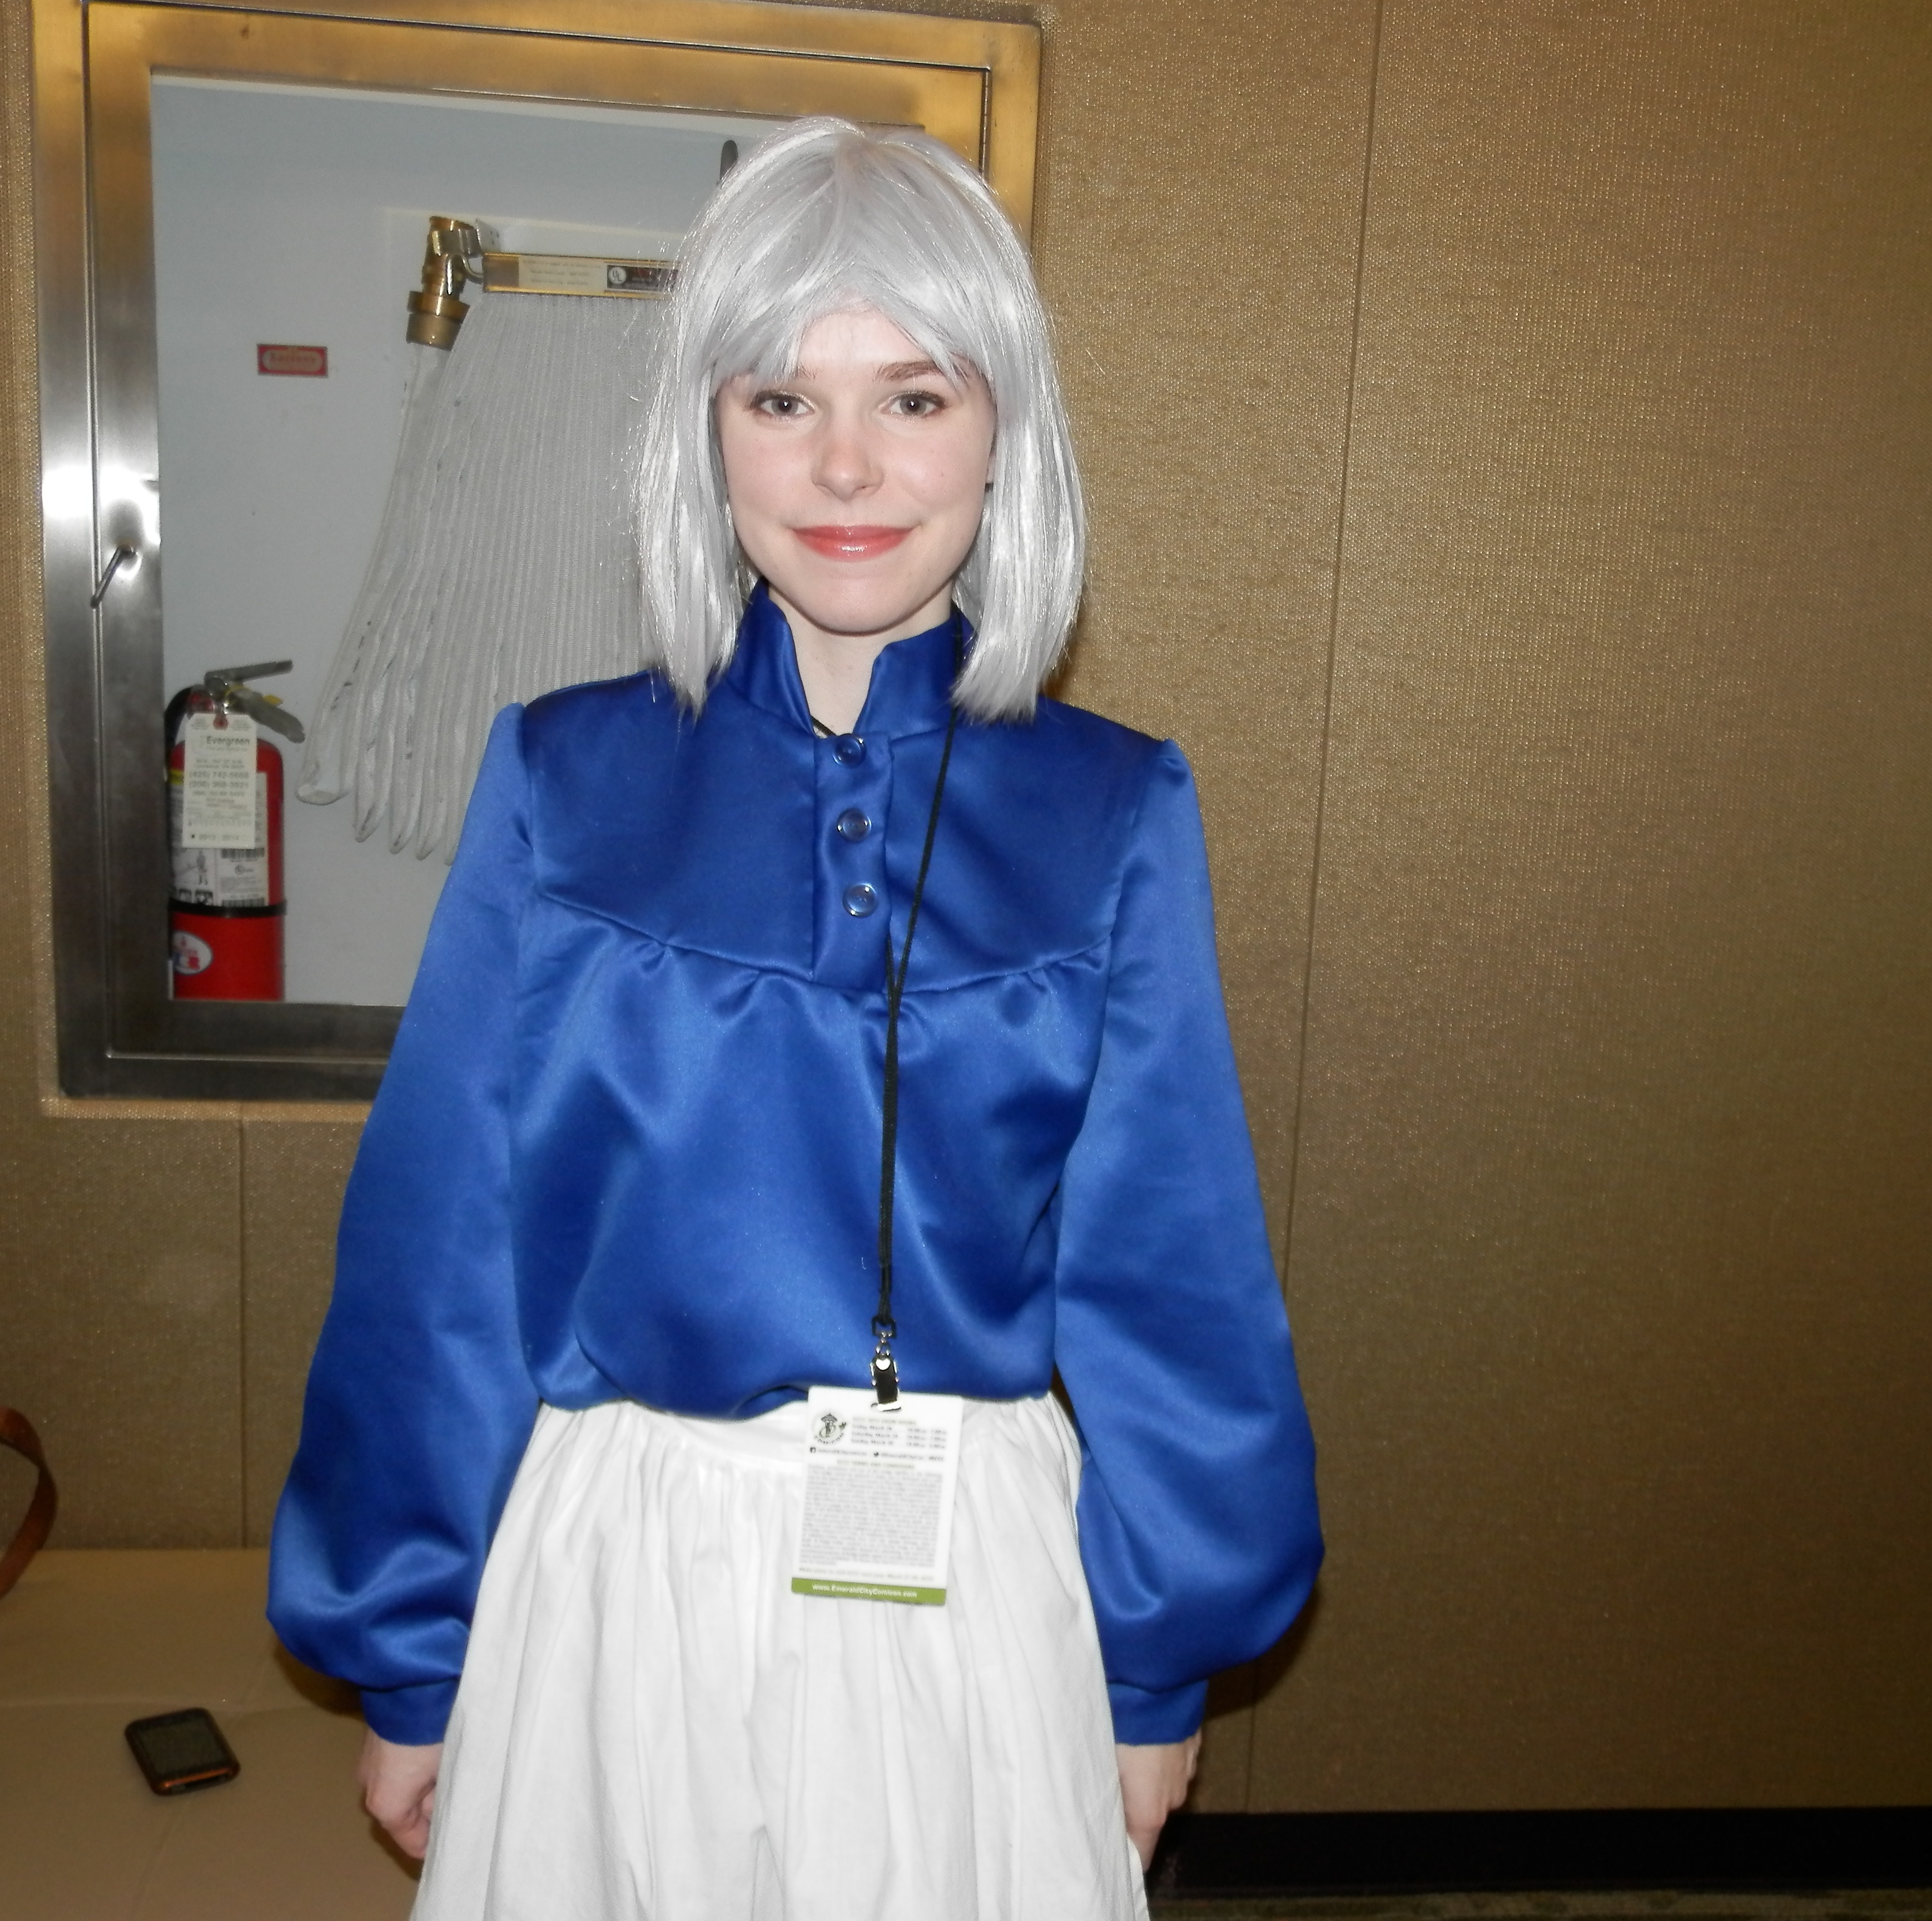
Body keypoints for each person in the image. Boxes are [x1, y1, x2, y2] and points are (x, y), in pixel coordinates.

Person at [268, 117, 1320, 1921]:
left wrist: (1156, 1672)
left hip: (971, 1572)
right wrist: (411, 1648)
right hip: (619, 1567)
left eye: (913, 397)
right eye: (781, 398)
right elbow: (444, 1249)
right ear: (709, 432)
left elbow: (1171, 1270)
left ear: (1002, 431)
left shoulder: (1112, 808)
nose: (846, 464)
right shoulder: (562, 778)